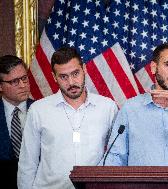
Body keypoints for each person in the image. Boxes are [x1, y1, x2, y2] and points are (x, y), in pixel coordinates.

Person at [17, 47, 118, 189]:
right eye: (63, 77)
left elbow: (117, 155)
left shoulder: (107, 107)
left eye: (75, 73)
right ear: (54, 77)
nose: (71, 82)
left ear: (84, 69)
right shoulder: (38, 110)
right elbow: (28, 163)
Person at [0, 55, 33, 189]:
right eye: (15, 81)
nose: (23, 85)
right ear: (1, 86)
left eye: (24, 78)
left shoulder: (43, 111)